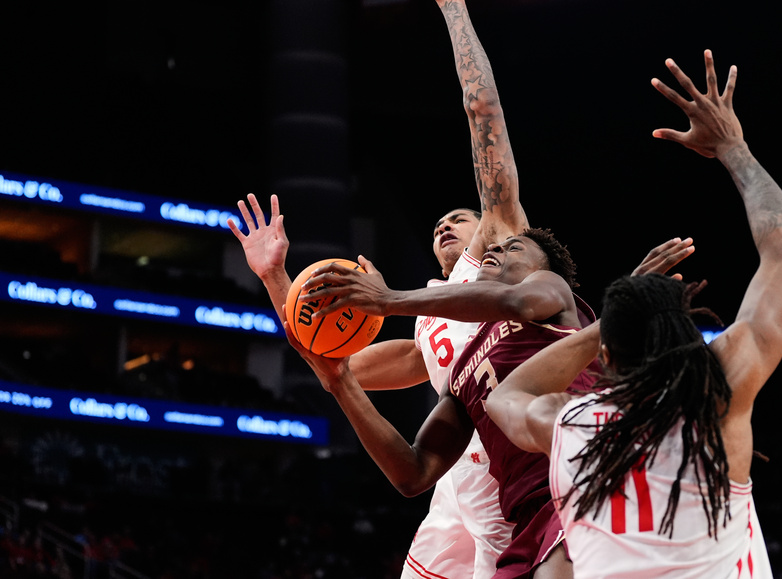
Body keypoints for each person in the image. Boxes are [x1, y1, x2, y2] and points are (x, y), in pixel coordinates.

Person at [228, 0, 536, 579]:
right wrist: (279, 279)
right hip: (458, 490)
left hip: (523, 481)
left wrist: (452, 5)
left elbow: (485, 121)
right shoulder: (424, 321)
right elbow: (332, 359)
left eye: (463, 216)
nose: (447, 225)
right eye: (438, 225)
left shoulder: (507, 265)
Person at [485, 50, 782, 578]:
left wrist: (597, 329)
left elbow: (505, 397)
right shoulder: (717, 398)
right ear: (685, 338)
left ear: (608, 353)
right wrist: (733, 147)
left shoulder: (566, 423)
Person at [292, 228, 693, 579]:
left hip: (586, 479)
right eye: (496, 247)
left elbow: (515, 303)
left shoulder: (550, 290)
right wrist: (341, 383)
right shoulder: (463, 371)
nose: (497, 250)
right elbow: (413, 473)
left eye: (514, 248)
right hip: (526, 519)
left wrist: (389, 301)